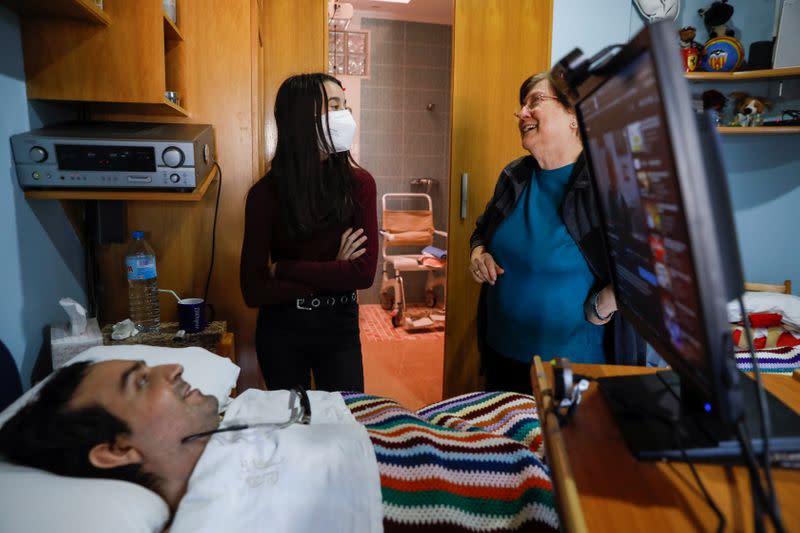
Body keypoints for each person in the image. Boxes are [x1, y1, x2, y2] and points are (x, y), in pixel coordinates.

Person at [0, 360, 559, 532]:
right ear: (117, 449)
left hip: (434, 422)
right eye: (141, 382)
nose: (172, 368)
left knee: (526, 405)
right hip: (508, 474)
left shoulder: (227, 424)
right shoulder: (228, 516)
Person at [469, 72, 646, 393]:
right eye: (521, 106)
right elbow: (482, 230)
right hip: (500, 355)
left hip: (571, 369)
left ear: (575, 116)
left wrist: (602, 305)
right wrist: (478, 254)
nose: (522, 113)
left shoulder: (608, 185)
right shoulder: (514, 176)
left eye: (535, 101)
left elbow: (648, 268)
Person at [240, 73, 378, 392]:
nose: (345, 115)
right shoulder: (264, 195)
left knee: (343, 420)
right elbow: (253, 289)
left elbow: (362, 273)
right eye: (333, 106)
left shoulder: (359, 185)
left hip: (339, 327)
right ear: (301, 118)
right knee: (292, 428)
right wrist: (333, 271)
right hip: (282, 330)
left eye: (345, 106)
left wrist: (286, 269)